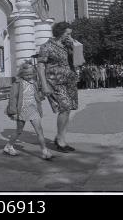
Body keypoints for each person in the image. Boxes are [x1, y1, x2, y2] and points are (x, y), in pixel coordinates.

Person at [37, 21, 79, 153]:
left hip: (70, 81)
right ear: (60, 32)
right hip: (55, 82)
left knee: (68, 109)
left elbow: (80, 61)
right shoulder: (46, 46)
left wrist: (74, 45)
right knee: (65, 107)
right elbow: (41, 65)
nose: (69, 36)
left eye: (70, 34)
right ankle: (60, 142)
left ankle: (60, 137)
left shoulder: (69, 46)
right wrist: (43, 84)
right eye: (68, 33)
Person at [3, 61, 53, 160]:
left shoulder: (34, 83)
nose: (29, 76)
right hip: (21, 110)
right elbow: (13, 99)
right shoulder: (17, 84)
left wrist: (42, 95)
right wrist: (13, 112)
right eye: (26, 74)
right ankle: (8, 146)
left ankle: (44, 151)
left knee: (39, 131)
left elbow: (37, 96)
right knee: (19, 131)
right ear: (21, 73)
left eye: (31, 74)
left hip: (34, 109)